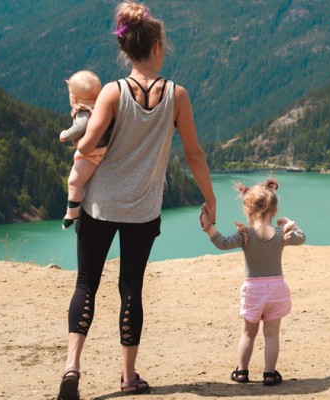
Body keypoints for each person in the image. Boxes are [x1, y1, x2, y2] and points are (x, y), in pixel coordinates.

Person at [56, 2, 216, 398]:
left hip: (99, 206)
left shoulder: (112, 92)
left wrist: (81, 142)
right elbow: (194, 154)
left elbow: (89, 142)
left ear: (126, 50)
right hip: (143, 211)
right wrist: (210, 198)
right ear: (158, 47)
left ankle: (72, 369)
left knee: (86, 284)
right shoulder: (177, 96)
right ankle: (128, 377)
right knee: (131, 289)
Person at [200, 178, 306, 387]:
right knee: (272, 335)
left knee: (248, 333)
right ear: (274, 211)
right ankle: (269, 374)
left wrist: (208, 227)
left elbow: (223, 243)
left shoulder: (245, 235)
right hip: (276, 290)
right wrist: (288, 223)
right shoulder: (280, 234)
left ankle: (241, 372)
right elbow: (301, 237)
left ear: (248, 210)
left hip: (254, 292)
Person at [58, 70, 112, 230]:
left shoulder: (84, 111)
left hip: (92, 155)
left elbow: (80, 127)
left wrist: (65, 134)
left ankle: (72, 212)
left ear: (73, 98)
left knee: (74, 182)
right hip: (106, 149)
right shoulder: (103, 107)